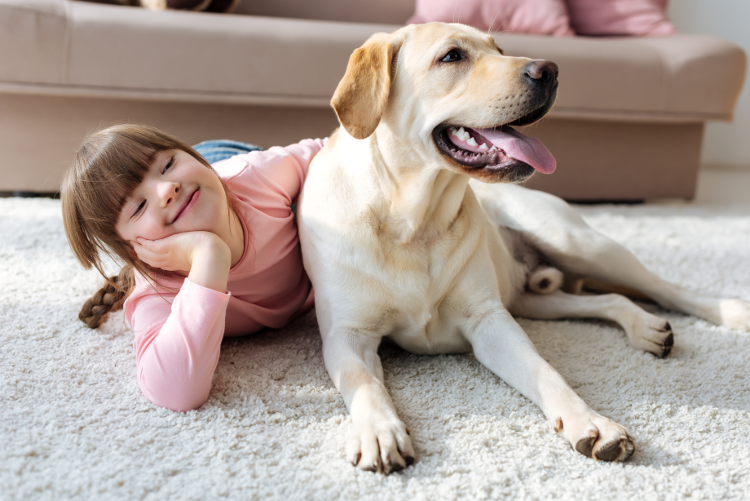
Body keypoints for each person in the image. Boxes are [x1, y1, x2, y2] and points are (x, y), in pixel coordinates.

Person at [61, 124, 326, 412]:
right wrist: (209, 256)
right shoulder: (158, 288)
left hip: (220, 162)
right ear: (132, 250)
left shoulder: (256, 176)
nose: (166, 189)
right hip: (198, 185)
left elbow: (333, 150)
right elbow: (175, 393)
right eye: (138, 207)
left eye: (167, 163)